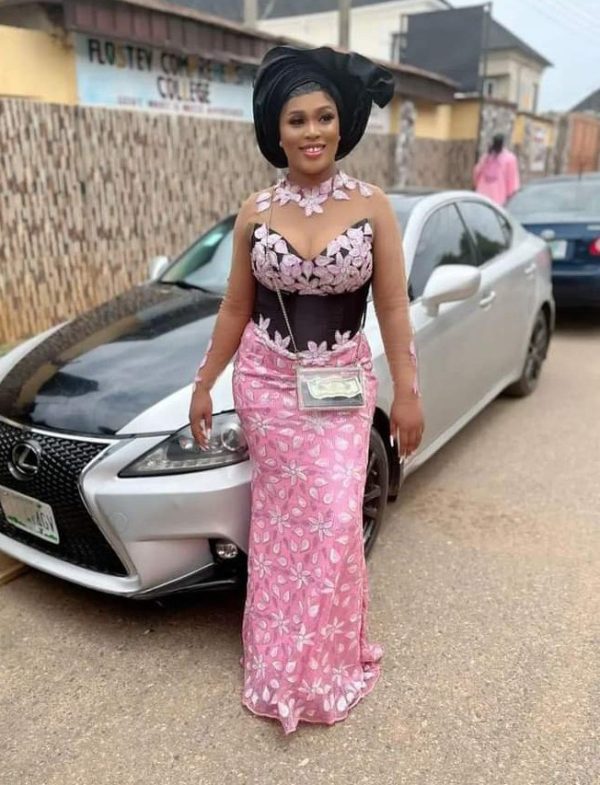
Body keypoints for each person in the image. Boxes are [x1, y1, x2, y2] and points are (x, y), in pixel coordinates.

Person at [188, 45, 424, 734]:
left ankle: (325, 664)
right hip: (266, 383)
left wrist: (408, 391)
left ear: (342, 124)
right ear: (277, 130)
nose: (312, 131)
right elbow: (235, 307)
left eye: (324, 116)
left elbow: (393, 306)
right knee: (281, 527)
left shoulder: (372, 206)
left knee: (334, 520)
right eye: (297, 119)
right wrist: (204, 382)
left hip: (342, 386)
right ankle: (279, 664)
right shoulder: (255, 211)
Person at [473, 133, 520, 206]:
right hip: (486, 199)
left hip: (494, 199)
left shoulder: (509, 158)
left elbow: (512, 181)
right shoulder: (487, 157)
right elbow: (477, 173)